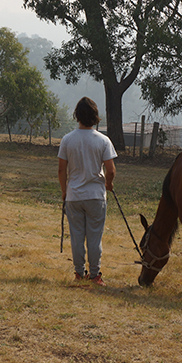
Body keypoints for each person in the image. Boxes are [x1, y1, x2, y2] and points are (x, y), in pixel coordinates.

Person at [57, 97, 117, 286]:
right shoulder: (103, 140)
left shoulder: (67, 139)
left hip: (74, 195)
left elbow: (61, 170)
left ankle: (78, 272)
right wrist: (109, 184)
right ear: (95, 117)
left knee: (76, 236)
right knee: (94, 236)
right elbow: (111, 170)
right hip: (95, 196)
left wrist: (64, 191)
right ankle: (94, 274)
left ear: (77, 116)